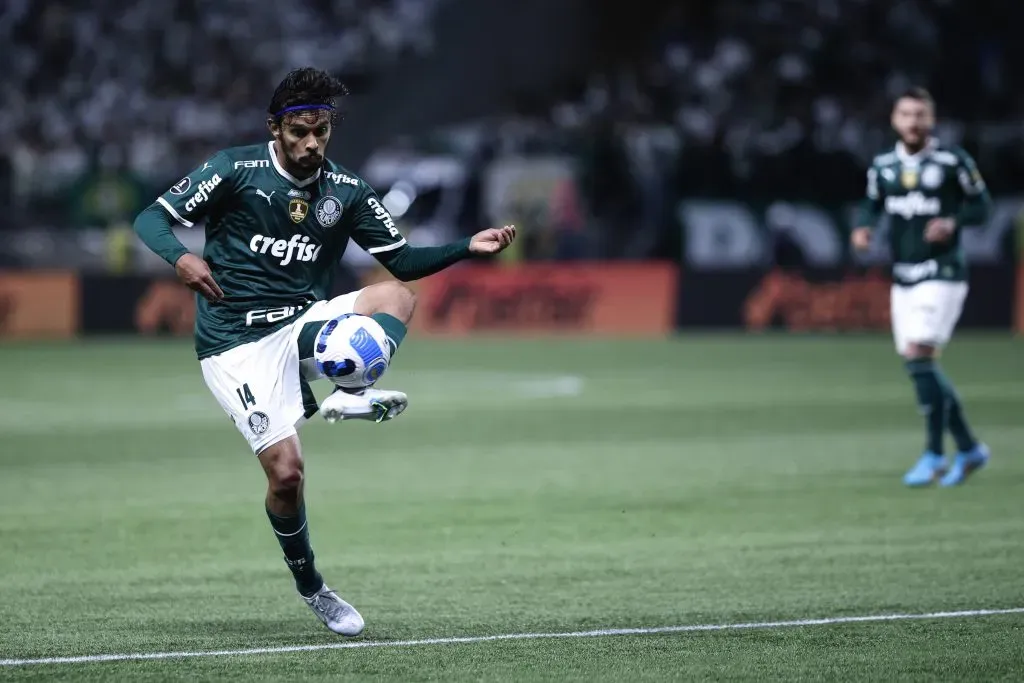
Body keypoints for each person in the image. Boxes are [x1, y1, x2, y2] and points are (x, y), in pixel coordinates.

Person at [132, 67, 516, 635]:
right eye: (301, 132)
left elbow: (403, 262)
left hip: (303, 323)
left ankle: (350, 392)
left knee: (395, 296)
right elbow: (151, 218)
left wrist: (467, 246)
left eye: (323, 131)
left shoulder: (346, 190)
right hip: (235, 343)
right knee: (286, 475)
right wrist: (182, 258)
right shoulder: (235, 169)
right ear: (276, 128)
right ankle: (313, 586)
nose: (313, 143)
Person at [851, 87, 990, 488]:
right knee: (919, 366)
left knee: (919, 355)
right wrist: (862, 228)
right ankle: (968, 447)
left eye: (921, 115)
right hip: (904, 276)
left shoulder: (952, 162)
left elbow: (983, 206)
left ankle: (934, 454)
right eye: (906, 114)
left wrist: (953, 223)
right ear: (895, 120)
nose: (913, 122)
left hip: (943, 271)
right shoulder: (883, 167)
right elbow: (871, 204)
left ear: (932, 121)